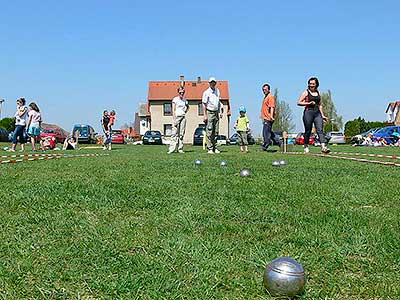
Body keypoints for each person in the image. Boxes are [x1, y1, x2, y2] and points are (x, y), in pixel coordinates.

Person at [297, 77, 330, 154]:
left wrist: (323, 115)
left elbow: (319, 105)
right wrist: (308, 103)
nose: (311, 85)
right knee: (308, 130)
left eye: (313, 84)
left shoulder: (318, 93)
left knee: (320, 130)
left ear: (316, 84)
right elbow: (299, 102)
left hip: (317, 113)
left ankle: (323, 147)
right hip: (308, 112)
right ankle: (306, 146)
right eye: (310, 84)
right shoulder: (305, 92)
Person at [202, 77, 224, 154]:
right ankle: (210, 148)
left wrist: (221, 111)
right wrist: (205, 115)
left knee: (216, 131)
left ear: (215, 83)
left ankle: (215, 147)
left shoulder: (217, 91)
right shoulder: (206, 92)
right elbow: (204, 104)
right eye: (211, 82)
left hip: (216, 112)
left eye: (214, 82)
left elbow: (219, 102)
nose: (213, 83)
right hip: (209, 112)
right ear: (209, 83)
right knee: (210, 130)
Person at [168, 87, 189, 154]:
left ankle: (180, 149)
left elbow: (188, 107)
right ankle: (172, 149)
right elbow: (173, 110)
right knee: (174, 134)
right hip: (177, 117)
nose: (181, 94)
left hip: (183, 117)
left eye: (183, 92)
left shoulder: (185, 100)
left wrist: (185, 111)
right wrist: (174, 119)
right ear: (178, 92)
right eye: (180, 92)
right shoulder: (175, 99)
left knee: (181, 134)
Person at [260, 83, 281, 151]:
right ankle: (280, 143)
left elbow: (272, 107)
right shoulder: (265, 97)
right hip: (265, 118)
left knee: (265, 133)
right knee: (270, 133)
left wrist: (271, 116)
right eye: (263, 90)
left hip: (268, 118)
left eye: (265, 89)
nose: (264, 91)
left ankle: (265, 145)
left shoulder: (270, 97)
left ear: (269, 89)